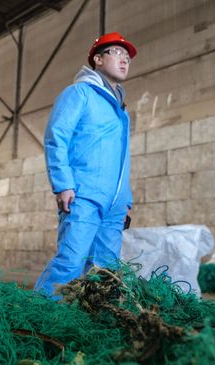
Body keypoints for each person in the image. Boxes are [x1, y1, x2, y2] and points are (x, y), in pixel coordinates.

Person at [35, 32, 137, 297]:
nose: (124, 60)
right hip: (83, 194)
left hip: (114, 204)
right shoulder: (79, 93)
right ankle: (39, 316)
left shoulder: (121, 109)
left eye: (127, 57)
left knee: (107, 271)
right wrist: (63, 184)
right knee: (71, 261)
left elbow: (122, 157)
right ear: (98, 60)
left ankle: (93, 323)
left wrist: (125, 200)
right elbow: (56, 137)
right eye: (117, 53)